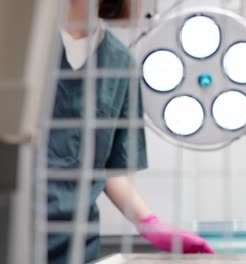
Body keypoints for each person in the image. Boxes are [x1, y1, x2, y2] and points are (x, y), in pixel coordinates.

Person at [47, 1, 214, 263]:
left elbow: (109, 168)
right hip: (13, 226)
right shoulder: (23, 49)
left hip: (75, 244)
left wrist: (149, 224)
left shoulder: (120, 63)